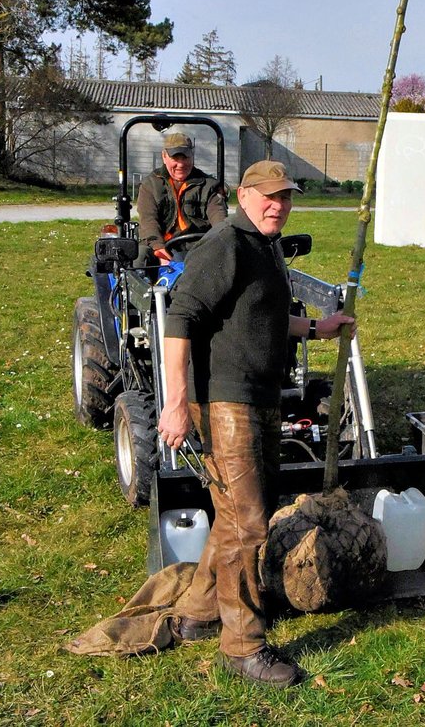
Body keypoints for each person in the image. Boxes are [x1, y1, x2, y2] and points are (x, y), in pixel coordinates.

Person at [157, 160, 355, 687]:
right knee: (248, 523)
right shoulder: (226, 244)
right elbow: (179, 318)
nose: (278, 205)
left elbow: (263, 317)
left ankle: (200, 612)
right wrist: (175, 403)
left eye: (286, 197)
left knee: (235, 514)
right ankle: (243, 646)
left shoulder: (266, 244)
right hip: (226, 400)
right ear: (243, 195)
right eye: (268, 196)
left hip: (259, 395)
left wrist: (318, 326)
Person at [135, 131, 228, 264]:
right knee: (140, 256)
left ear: (192, 156)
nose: (181, 164)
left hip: (198, 248)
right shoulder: (150, 185)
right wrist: (158, 248)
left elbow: (219, 219)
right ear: (164, 156)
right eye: (175, 158)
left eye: (185, 158)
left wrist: (222, 240)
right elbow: (148, 221)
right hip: (162, 247)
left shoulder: (209, 185)